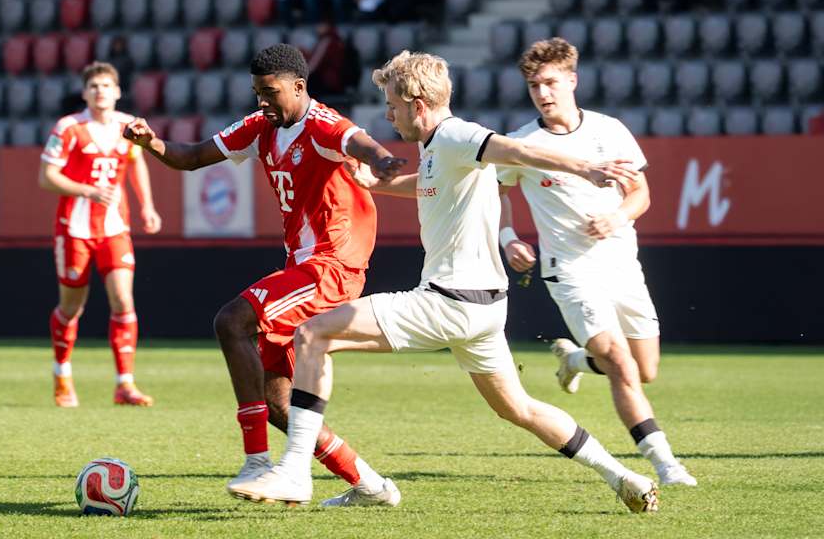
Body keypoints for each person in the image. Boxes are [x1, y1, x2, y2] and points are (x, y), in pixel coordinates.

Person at [229, 50, 661, 514]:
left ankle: (294, 470)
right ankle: (624, 477)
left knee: (313, 333)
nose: (388, 115)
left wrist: (584, 168)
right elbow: (428, 183)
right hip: (485, 309)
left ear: (417, 104)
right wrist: (375, 185)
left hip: (448, 301)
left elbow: (516, 151)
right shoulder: (438, 149)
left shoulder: (457, 134)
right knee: (519, 409)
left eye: (393, 105)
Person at [123, 44, 408, 506]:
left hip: (332, 265)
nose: (262, 102)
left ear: (299, 87)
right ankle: (369, 485)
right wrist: (151, 143)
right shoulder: (260, 127)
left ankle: (257, 460)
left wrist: (378, 158)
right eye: (257, 93)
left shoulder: (321, 124)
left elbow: (355, 139)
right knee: (279, 403)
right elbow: (192, 156)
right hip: (303, 267)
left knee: (231, 321)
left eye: (270, 93)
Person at [497, 37, 697, 487]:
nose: (542, 93)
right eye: (534, 86)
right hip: (567, 269)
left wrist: (617, 216)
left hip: (622, 263)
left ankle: (575, 362)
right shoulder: (521, 143)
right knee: (622, 365)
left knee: (646, 369)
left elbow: (640, 194)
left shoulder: (609, 131)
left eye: (550, 82)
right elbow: (498, 191)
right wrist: (508, 237)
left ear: (572, 80)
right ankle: (666, 464)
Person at [38, 61, 162, 408]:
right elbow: (46, 177)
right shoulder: (68, 128)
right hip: (74, 230)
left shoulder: (128, 126)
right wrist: (87, 190)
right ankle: (62, 374)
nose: (100, 91)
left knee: (123, 300)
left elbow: (137, 161)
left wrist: (147, 206)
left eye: (106, 86)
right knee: (71, 307)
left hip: (114, 228)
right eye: (93, 86)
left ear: (117, 91)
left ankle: (125, 384)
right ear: (84, 93)